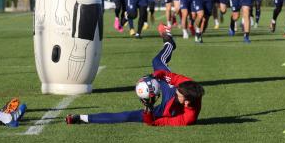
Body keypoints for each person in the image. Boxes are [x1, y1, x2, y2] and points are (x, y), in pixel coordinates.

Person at [65, 23, 204, 126]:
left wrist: (148, 108)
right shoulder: (184, 83)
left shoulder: (188, 118)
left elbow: (155, 123)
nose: (176, 93)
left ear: (186, 102)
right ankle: (169, 43)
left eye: (179, 95)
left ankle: (82, 118)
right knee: (157, 61)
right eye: (178, 91)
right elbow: (171, 78)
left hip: (166, 109)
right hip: (170, 89)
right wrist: (154, 76)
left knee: (127, 116)